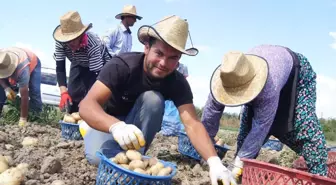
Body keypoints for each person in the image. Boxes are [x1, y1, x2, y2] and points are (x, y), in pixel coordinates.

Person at [79, 15, 237, 185]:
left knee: (154, 99)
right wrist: (116, 126)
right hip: (109, 122)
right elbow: (87, 105)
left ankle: (133, 154)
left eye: (173, 58)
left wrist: (214, 161)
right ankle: (90, 128)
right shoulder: (122, 66)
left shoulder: (177, 82)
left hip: (136, 129)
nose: (163, 63)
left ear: (179, 59)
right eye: (159, 53)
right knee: (97, 159)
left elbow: (192, 124)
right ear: (147, 47)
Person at [201, 45, 328, 182]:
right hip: (268, 72)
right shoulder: (226, 78)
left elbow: (261, 126)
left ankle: (320, 179)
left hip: (297, 77)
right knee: (245, 135)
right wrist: (207, 154)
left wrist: (239, 163)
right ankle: (242, 176)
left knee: (307, 133)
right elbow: (210, 116)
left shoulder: (267, 86)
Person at [53, 11, 111, 113]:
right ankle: (72, 119)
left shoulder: (92, 44)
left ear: (81, 35)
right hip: (78, 62)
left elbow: (96, 76)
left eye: (73, 39)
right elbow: (60, 68)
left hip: (100, 66)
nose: (70, 43)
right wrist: (63, 92)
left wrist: (89, 99)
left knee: (93, 99)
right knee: (73, 94)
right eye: (67, 40)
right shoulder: (60, 43)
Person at [0, 47, 42, 126]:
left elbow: (24, 96)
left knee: (34, 91)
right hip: (14, 56)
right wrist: (6, 88)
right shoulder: (1, 59)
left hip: (33, 61)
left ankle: (36, 119)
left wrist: (23, 118)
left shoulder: (22, 70)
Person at [160, 62, 189, 136]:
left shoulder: (183, 67)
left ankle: (171, 129)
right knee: (163, 109)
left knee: (172, 111)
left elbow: (184, 81)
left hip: (177, 92)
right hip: (165, 90)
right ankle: (162, 127)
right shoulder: (166, 64)